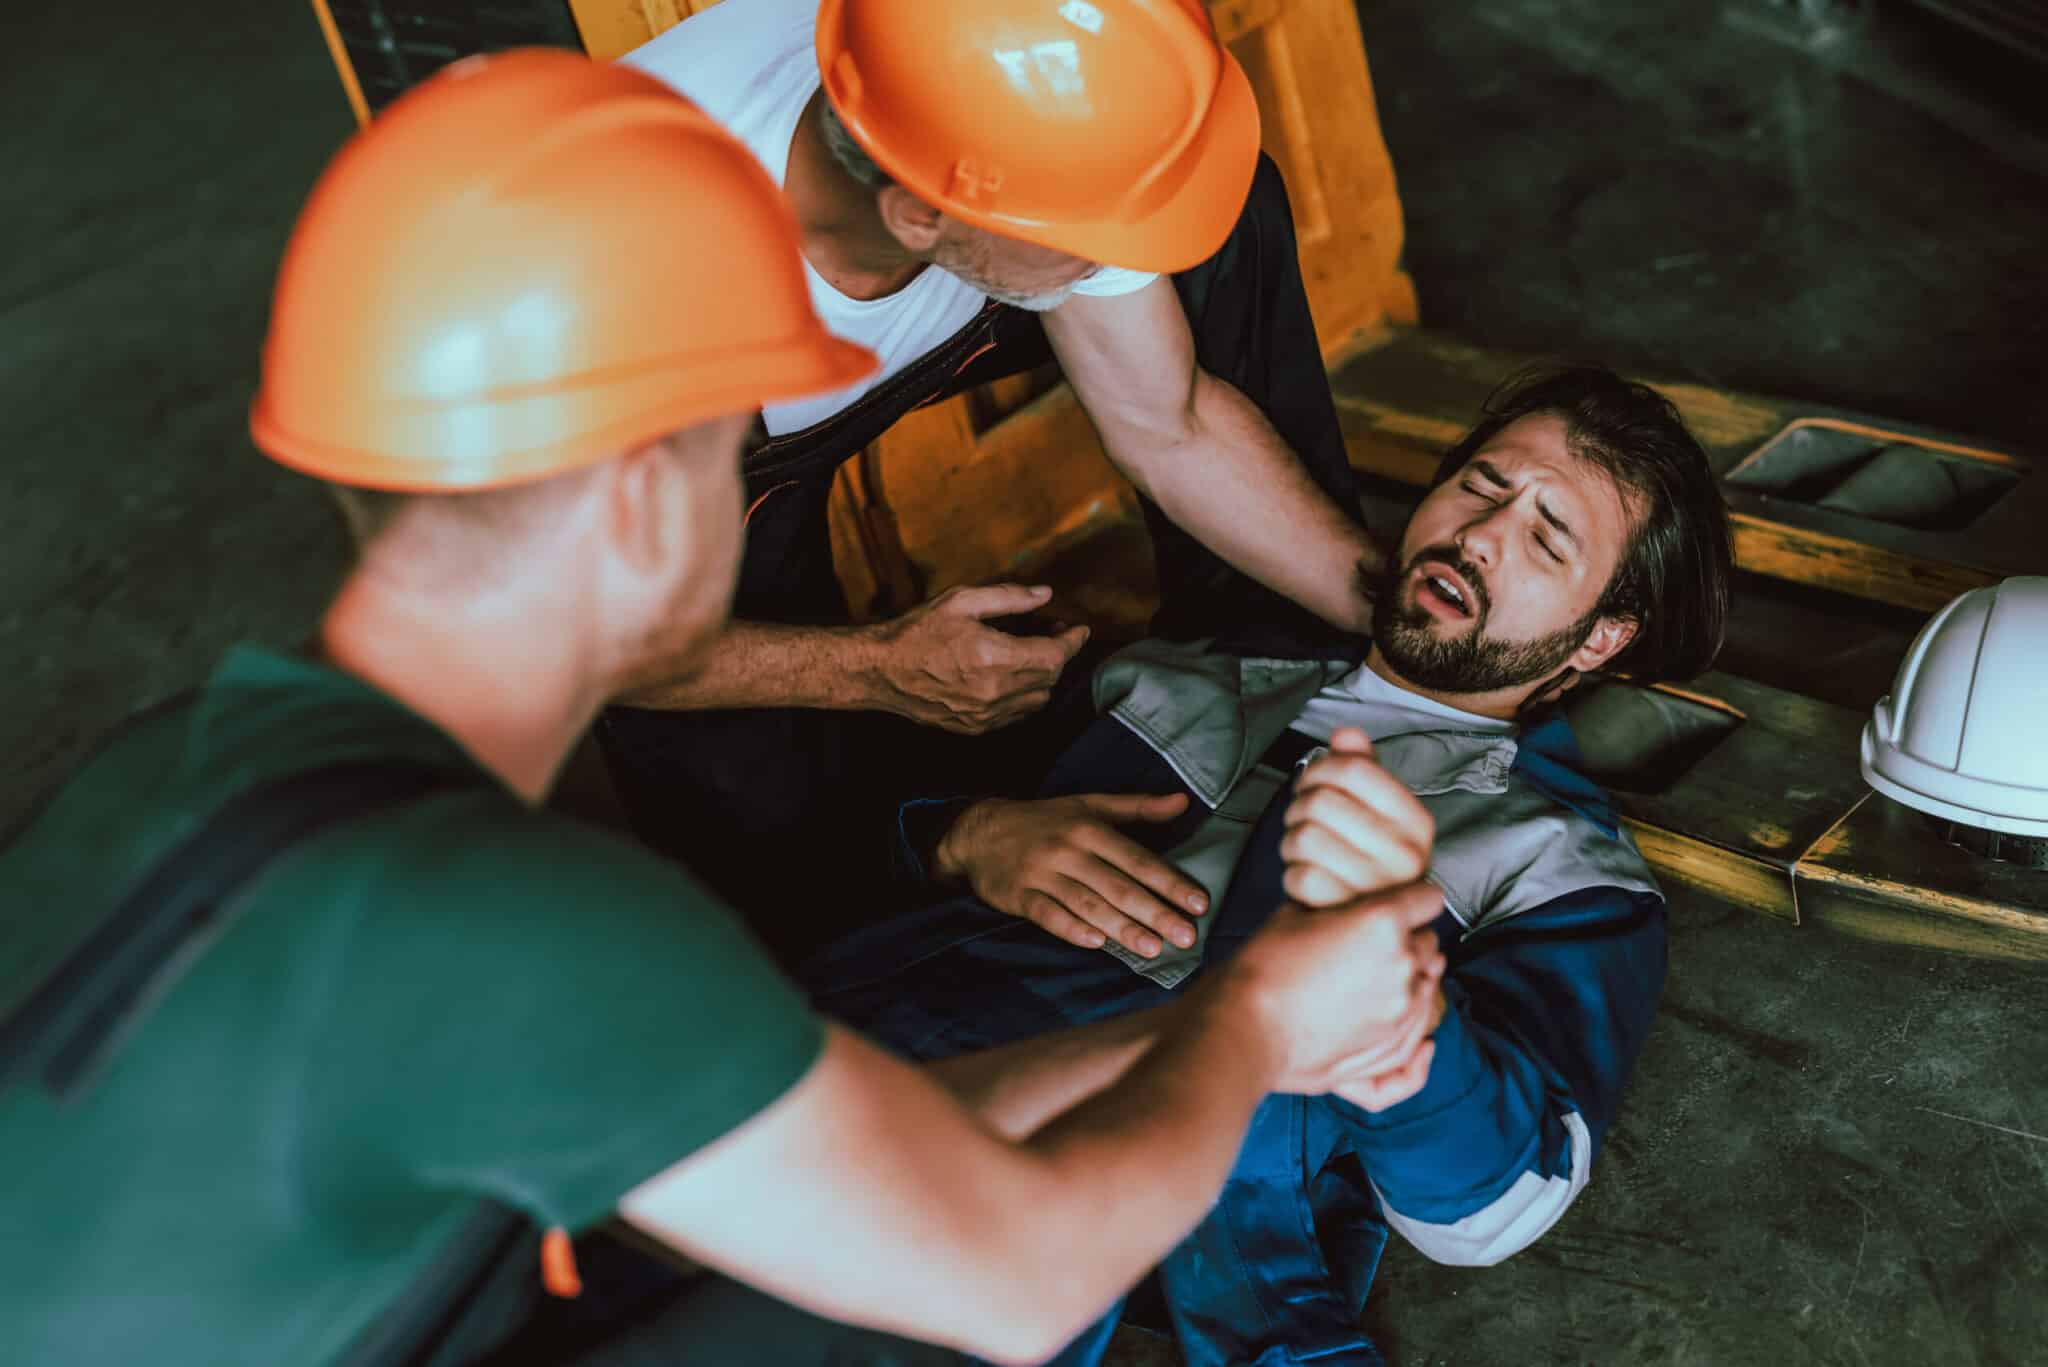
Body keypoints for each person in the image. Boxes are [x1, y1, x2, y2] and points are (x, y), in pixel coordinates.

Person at [0, 51, 1456, 1367]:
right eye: (735, 447)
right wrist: (1261, 1019)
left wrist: (1192, 1029)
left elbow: (781, 1170)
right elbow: (1012, 1271)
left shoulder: (155, 772)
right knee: (895, 1323)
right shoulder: (546, 924)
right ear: (646, 496)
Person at [805, 364, 1736, 1365]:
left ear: (1597, 637)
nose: (1477, 537)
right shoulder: (1170, 671)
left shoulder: (1556, 865)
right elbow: (835, 843)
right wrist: (965, 834)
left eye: (1547, 538)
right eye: (1478, 483)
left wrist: (1397, 1015)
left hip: (1027, 1197)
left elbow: (1495, 1207)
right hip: (807, 1054)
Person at [599, 0, 1392, 956]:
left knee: (1218, 224)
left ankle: (1290, 669)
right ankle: (931, 844)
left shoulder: (989, 79)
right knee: (752, 804)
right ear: (921, 212)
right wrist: (874, 670)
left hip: (821, 332)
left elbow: (1169, 423)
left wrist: (1394, 619)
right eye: (1084, 233)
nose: (1115, 253)